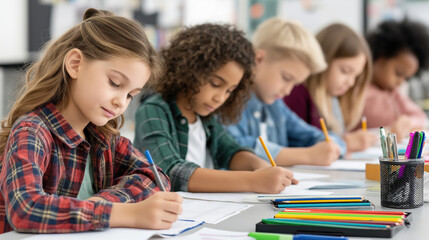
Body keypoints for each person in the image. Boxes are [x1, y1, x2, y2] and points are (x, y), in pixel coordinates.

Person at [0, 8, 182, 234]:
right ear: (75, 64)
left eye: (130, 95)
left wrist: (101, 204)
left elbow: (155, 177)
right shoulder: (32, 131)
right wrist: (125, 213)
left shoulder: (104, 139)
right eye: (115, 83)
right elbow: (25, 209)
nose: (121, 103)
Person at [134, 23, 297, 193]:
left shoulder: (205, 116)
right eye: (215, 84)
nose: (220, 98)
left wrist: (259, 165)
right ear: (190, 69)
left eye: (229, 91)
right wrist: (252, 180)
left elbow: (230, 151)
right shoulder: (153, 110)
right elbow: (171, 172)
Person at [227, 18, 346, 167]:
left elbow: (312, 135)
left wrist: (332, 146)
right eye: (286, 78)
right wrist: (307, 156)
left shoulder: (277, 105)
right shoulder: (229, 98)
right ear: (259, 59)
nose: (288, 91)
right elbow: (232, 147)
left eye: (295, 83)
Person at [284, 23, 378, 153]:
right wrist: (345, 143)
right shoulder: (297, 93)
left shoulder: (332, 98)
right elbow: (295, 145)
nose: (351, 82)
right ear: (323, 60)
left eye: (356, 76)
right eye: (345, 71)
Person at [363, 19, 429, 140]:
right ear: (380, 58)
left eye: (406, 78)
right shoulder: (358, 90)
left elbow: (419, 116)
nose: (401, 81)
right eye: (399, 73)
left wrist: (408, 122)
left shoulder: (392, 93)